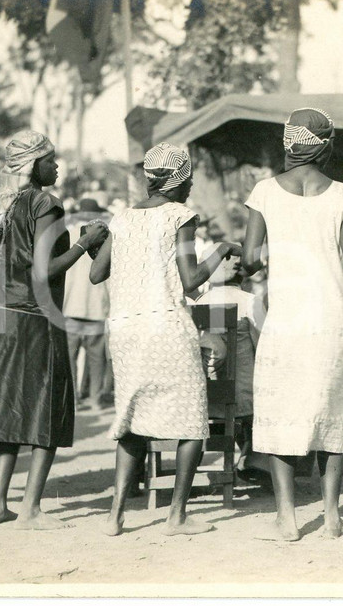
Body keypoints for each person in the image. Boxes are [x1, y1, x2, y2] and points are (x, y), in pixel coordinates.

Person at [241, 108, 343, 541]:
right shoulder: (342, 194)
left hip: (286, 318)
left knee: (283, 411)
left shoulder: (265, 191)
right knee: (332, 411)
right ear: (326, 145)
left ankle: (287, 516)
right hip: (331, 320)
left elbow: (249, 260)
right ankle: (332, 516)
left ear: (290, 143)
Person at [90, 142, 238, 536]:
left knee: (132, 420)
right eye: (188, 180)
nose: (190, 188)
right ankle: (176, 516)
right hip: (165, 324)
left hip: (123, 328)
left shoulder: (122, 219)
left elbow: (96, 273)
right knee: (192, 423)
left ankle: (115, 515)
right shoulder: (180, 216)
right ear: (179, 181)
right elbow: (191, 280)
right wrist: (222, 249)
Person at [0, 131, 108, 529]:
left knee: (9, 411)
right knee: (47, 408)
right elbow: (45, 271)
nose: (57, 166)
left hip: (0, 316)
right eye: (50, 159)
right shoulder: (45, 202)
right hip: (36, 315)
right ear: (33, 165)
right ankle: (30, 509)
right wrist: (85, 243)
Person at [193, 247, 266, 483]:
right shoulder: (249, 301)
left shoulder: (199, 303)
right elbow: (264, 347)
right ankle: (253, 455)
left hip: (206, 400)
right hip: (245, 401)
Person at [64, 198, 113, 409]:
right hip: (96, 304)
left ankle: (73, 398)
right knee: (96, 358)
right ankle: (95, 398)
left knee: (70, 357)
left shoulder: (69, 235)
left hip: (71, 304)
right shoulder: (104, 236)